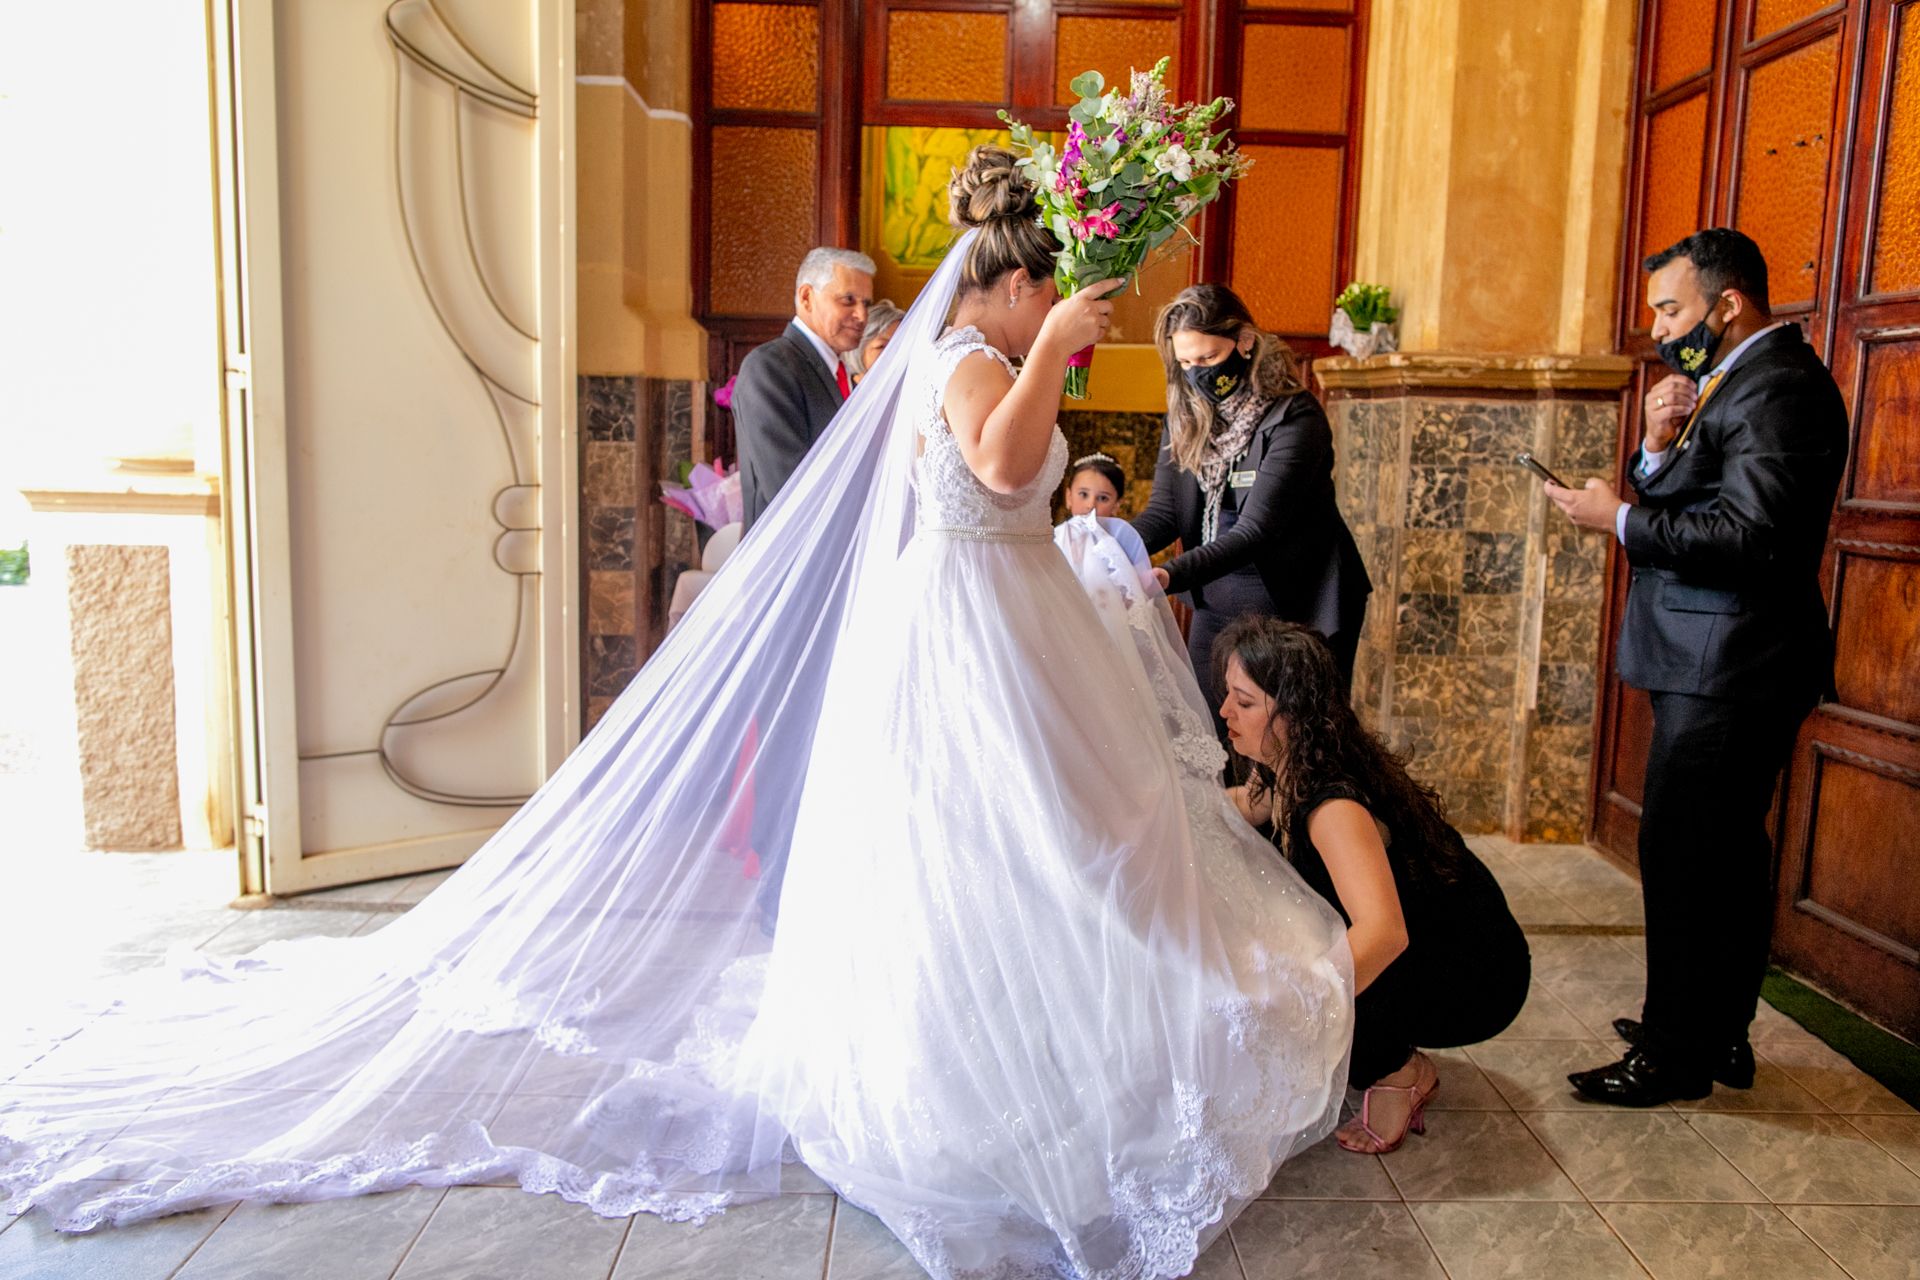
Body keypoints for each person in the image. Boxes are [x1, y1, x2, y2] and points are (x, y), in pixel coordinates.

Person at [2, 147, 1355, 1280]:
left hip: (1016, 617)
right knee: (1011, 839)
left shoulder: (977, 349)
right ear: (1004, 285)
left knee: (1056, 836)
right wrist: (1055, 351)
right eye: (1047, 290)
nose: (1061, 307)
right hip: (977, 628)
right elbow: (1006, 471)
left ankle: (1063, 1038)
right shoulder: (961, 355)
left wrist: (1051, 367)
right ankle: (991, 1074)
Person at [1545, 228, 1848, 1107]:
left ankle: (1674, 1055)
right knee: (1722, 855)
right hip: (1710, 656)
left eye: (1671, 310)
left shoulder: (1780, 386)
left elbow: (1752, 537)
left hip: (1735, 659)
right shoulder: (1733, 377)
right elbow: (1692, 490)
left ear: (1729, 302)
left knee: (1684, 855)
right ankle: (1715, 1032)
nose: (1660, 329)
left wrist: (1617, 519)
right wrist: (1653, 443)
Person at [1216, 617, 1530, 1153]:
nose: (1225, 711)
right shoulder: (1289, 766)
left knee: (1308, 964)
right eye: (1228, 694)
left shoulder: (1334, 807)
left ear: (1293, 715)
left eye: (1244, 702)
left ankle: (1400, 1073)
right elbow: (1246, 806)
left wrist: (1302, 1010)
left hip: (1475, 974)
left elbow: (1385, 934)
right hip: (1432, 943)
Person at [1130, 284, 1371, 706]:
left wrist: (1166, 575)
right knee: (1210, 728)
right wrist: (1106, 541)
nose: (1197, 374)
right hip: (1215, 602)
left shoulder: (1294, 417)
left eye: (1208, 359)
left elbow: (1256, 530)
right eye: (1185, 362)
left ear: (1243, 341)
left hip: (1294, 608)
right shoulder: (1186, 418)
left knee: (1285, 733)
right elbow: (1165, 513)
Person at [731, 246, 874, 531]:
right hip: (789, 548)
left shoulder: (842, 372)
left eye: (866, 303)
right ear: (807, 297)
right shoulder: (769, 366)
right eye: (848, 300)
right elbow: (788, 485)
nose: (861, 315)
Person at [1057, 451, 1149, 571]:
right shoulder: (1056, 538)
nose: (1091, 505)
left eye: (1103, 498)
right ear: (1069, 497)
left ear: (1116, 505)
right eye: (1083, 494)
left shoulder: (1124, 543)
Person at [849, 298, 903, 384]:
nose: (894, 353)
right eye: (881, 346)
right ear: (858, 349)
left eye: (899, 345)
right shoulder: (839, 390)